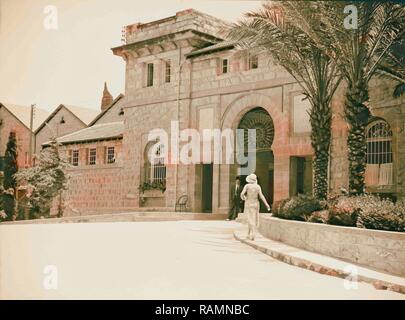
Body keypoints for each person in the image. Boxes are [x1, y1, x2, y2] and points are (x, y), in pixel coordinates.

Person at [240, 173, 270, 240]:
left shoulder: (247, 186)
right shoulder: (258, 187)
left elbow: (242, 194)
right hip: (255, 204)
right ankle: (248, 233)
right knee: (253, 218)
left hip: (248, 203)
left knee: (249, 219)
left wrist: (244, 197)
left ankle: (253, 232)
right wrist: (266, 204)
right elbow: (261, 196)